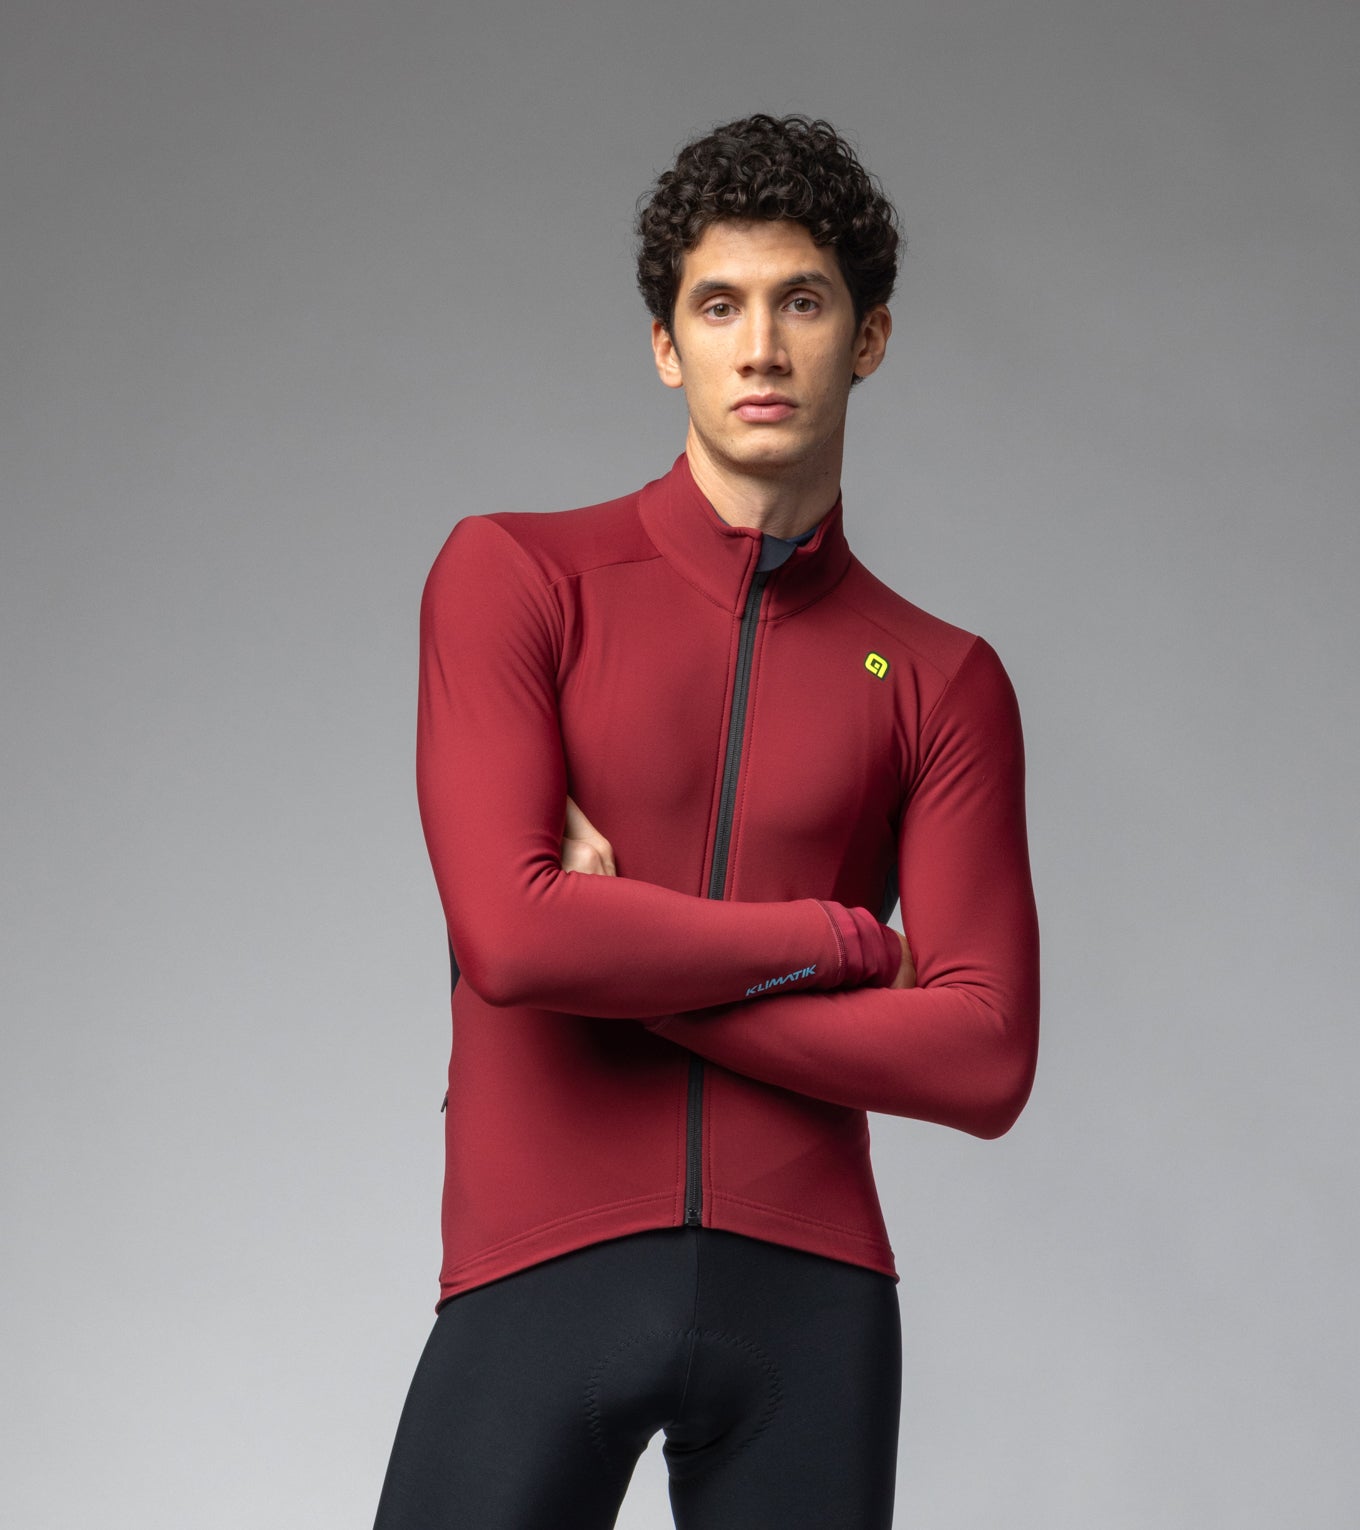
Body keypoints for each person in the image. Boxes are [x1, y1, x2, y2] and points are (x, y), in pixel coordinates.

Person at [372, 113, 1040, 1530]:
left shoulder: (944, 679)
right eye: (719, 306)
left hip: (811, 1298)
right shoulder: (517, 579)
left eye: (803, 302)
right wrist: (840, 944)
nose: (761, 349)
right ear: (667, 347)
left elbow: (985, 1057)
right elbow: (512, 939)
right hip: (540, 1265)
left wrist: (621, 962)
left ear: (869, 338)